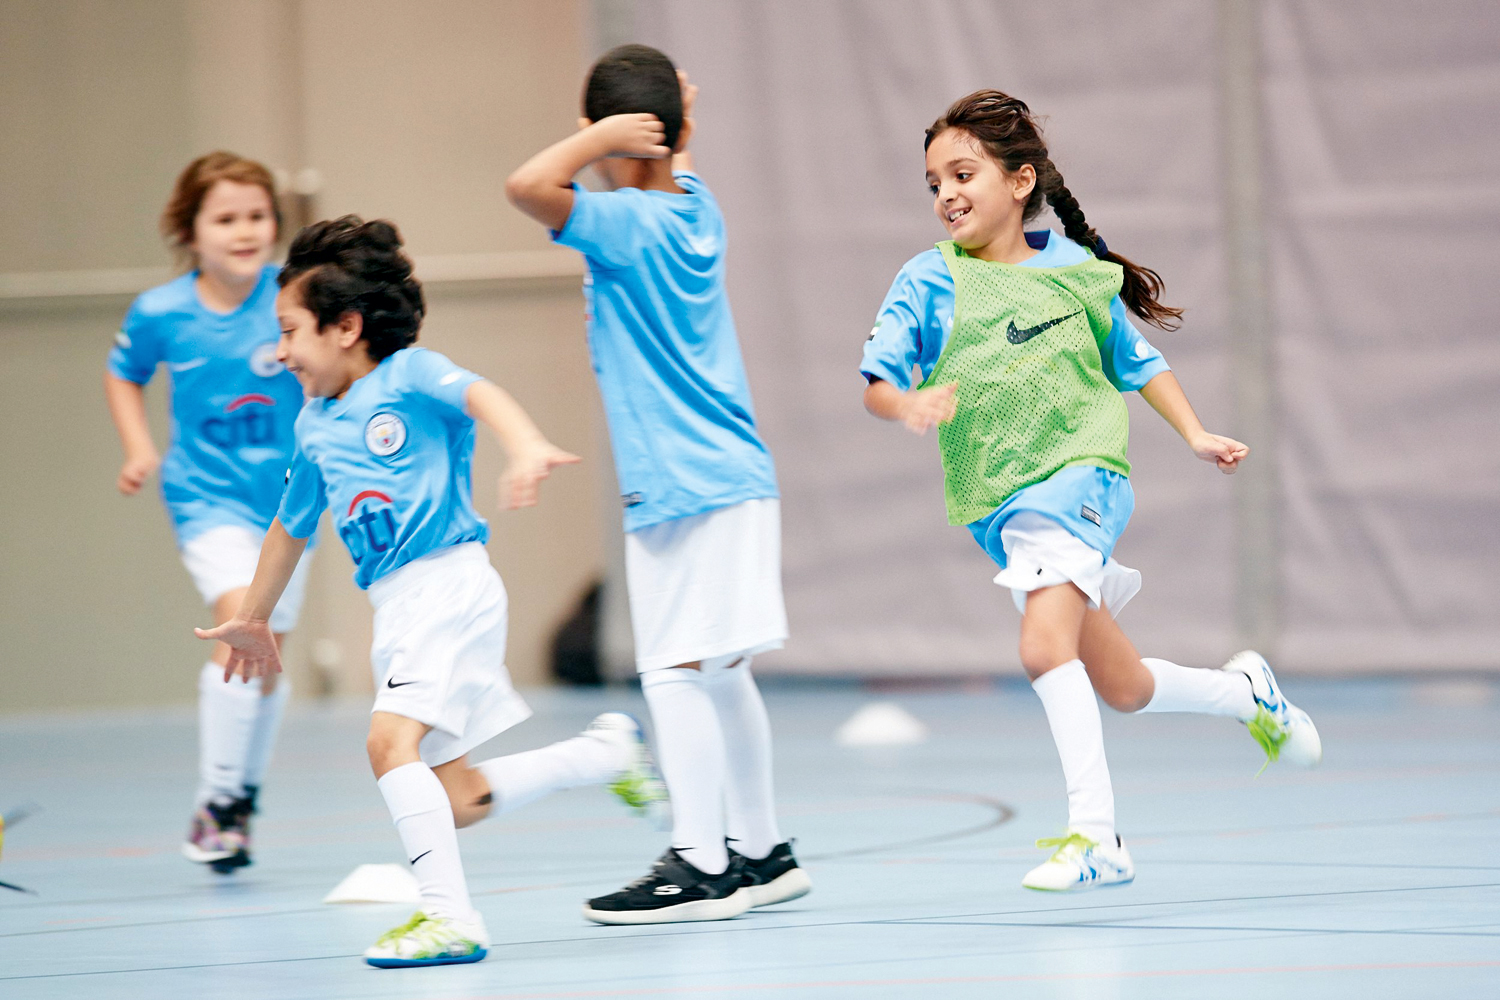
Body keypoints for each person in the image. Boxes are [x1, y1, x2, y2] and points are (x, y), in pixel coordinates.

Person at [860, 90, 1322, 892]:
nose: (946, 195)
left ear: (1018, 180)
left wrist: (1196, 433)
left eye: (962, 173)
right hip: (1002, 507)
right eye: (933, 183)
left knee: (1042, 649)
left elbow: (1136, 361)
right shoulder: (926, 282)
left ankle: (1097, 837)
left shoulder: (1075, 275)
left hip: (1081, 477)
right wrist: (906, 401)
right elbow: (877, 383)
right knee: (1125, 686)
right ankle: (1248, 694)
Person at [197, 216, 665, 967]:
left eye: (290, 331)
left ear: (345, 326)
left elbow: (482, 395)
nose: (279, 352)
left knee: (388, 744)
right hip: (399, 605)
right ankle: (604, 754)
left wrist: (526, 444)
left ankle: (451, 918)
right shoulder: (315, 424)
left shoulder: (409, 376)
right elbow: (290, 528)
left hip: (446, 586)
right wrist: (252, 617)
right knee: (456, 799)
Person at [506, 45, 809, 924]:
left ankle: (702, 863)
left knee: (672, 673)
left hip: (683, 484)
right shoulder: (695, 206)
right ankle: (761, 851)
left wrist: (591, 137)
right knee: (721, 672)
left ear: (607, 136)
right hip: (736, 477)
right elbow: (664, 151)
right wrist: (660, 120)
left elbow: (526, 186)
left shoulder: (625, 222)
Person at [104, 152, 313, 873]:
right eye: (226, 218)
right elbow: (123, 375)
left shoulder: (290, 299)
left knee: (268, 657)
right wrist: (139, 449)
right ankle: (218, 799)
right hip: (206, 499)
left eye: (257, 216)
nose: (245, 230)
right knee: (240, 628)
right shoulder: (161, 312)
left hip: (289, 509)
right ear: (190, 232)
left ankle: (241, 798)